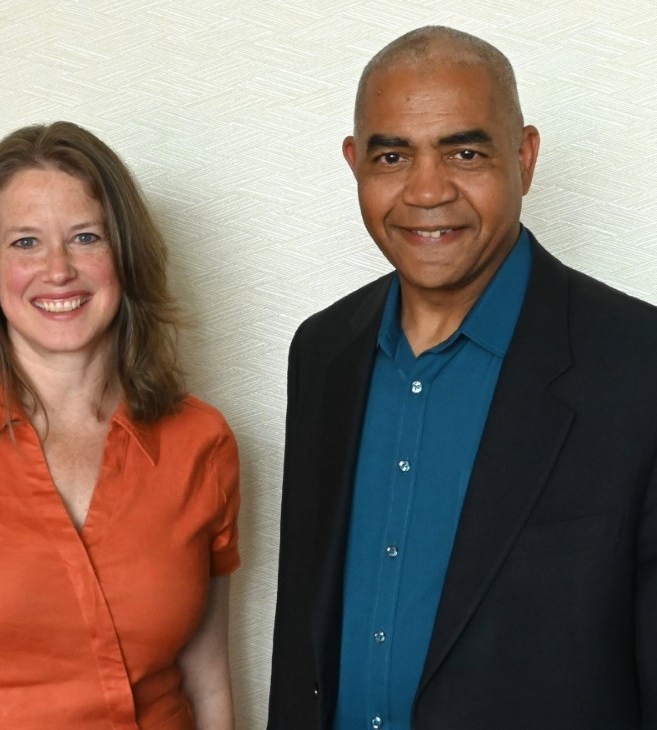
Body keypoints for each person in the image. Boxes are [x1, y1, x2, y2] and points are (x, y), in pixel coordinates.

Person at [267, 26, 657, 729]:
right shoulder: (321, 353)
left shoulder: (640, 364)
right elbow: (304, 640)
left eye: (465, 152)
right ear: (356, 164)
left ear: (525, 157)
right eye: (393, 155)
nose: (426, 190)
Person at [0, 121, 241, 730]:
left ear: (125, 256)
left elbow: (208, 679)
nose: (58, 269)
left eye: (86, 237)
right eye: (26, 243)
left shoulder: (204, 442)